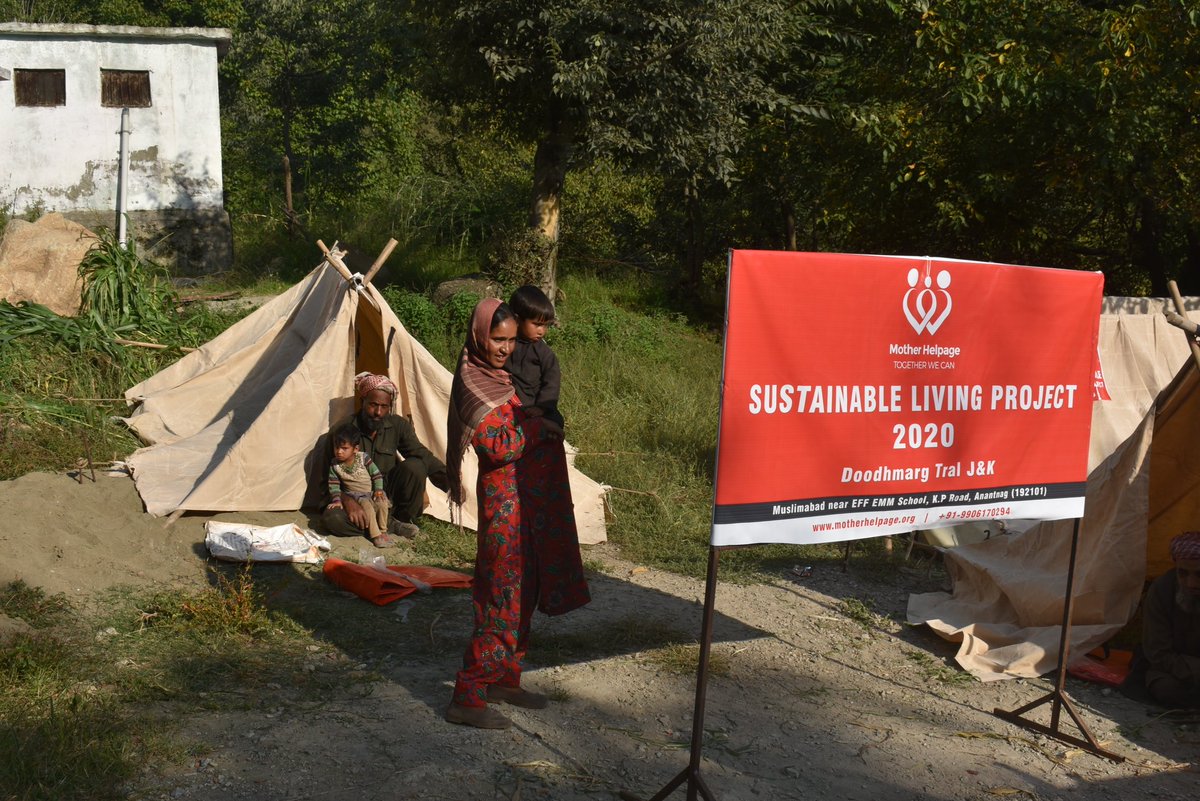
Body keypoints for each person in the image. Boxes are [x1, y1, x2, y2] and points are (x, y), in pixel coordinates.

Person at [443, 298, 590, 730]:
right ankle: (468, 695)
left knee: (525, 590)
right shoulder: (474, 383)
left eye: (510, 339)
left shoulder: (502, 377)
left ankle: (505, 677)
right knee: (500, 598)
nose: (504, 348)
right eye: (497, 338)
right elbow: (499, 446)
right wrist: (538, 426)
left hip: (529, 501)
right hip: (504, 507)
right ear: (478, 335)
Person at [322, 372, 449, 546]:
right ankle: (389, 526)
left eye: (384, 407)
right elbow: (326, 479)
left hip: (386, 496)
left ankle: (398, 519)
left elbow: (420, 453)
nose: (378, 412)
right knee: (333, 519)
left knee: (416, 466)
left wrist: (449, 481)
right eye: (373, 405)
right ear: (363, 401)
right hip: (357, 497)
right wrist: (347, 501)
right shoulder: (343, 431)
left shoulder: (398, 425)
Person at [1139, 531, 1200, 708]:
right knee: (1167, 689)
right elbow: (1157, 652)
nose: (1191, 584)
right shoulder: (1161, 591)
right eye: (1183, 573)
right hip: (1173, 669)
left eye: (1199, 574)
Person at [505, 285, 564, 428]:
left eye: (546, 326)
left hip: (537, 406)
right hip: (508, 406)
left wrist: (541, 407)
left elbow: (552, 383)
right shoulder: (504, 344)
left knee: (555, 421)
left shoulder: (544, 353)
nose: (542, 331)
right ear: (517, 319)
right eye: (537, 324)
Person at [326, 423, 391, 548]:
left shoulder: (364, 459)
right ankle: (375, 535)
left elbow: (376, 475)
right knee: (368, 508)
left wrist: (378, 490)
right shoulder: (334, 465)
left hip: (371, 492)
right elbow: (334, 486)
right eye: (336, 447)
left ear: (355, 449)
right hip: (355, 496)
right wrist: (337, 501)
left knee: (382, 503)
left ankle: (383, 530)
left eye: (344, 448)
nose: (339, 452)